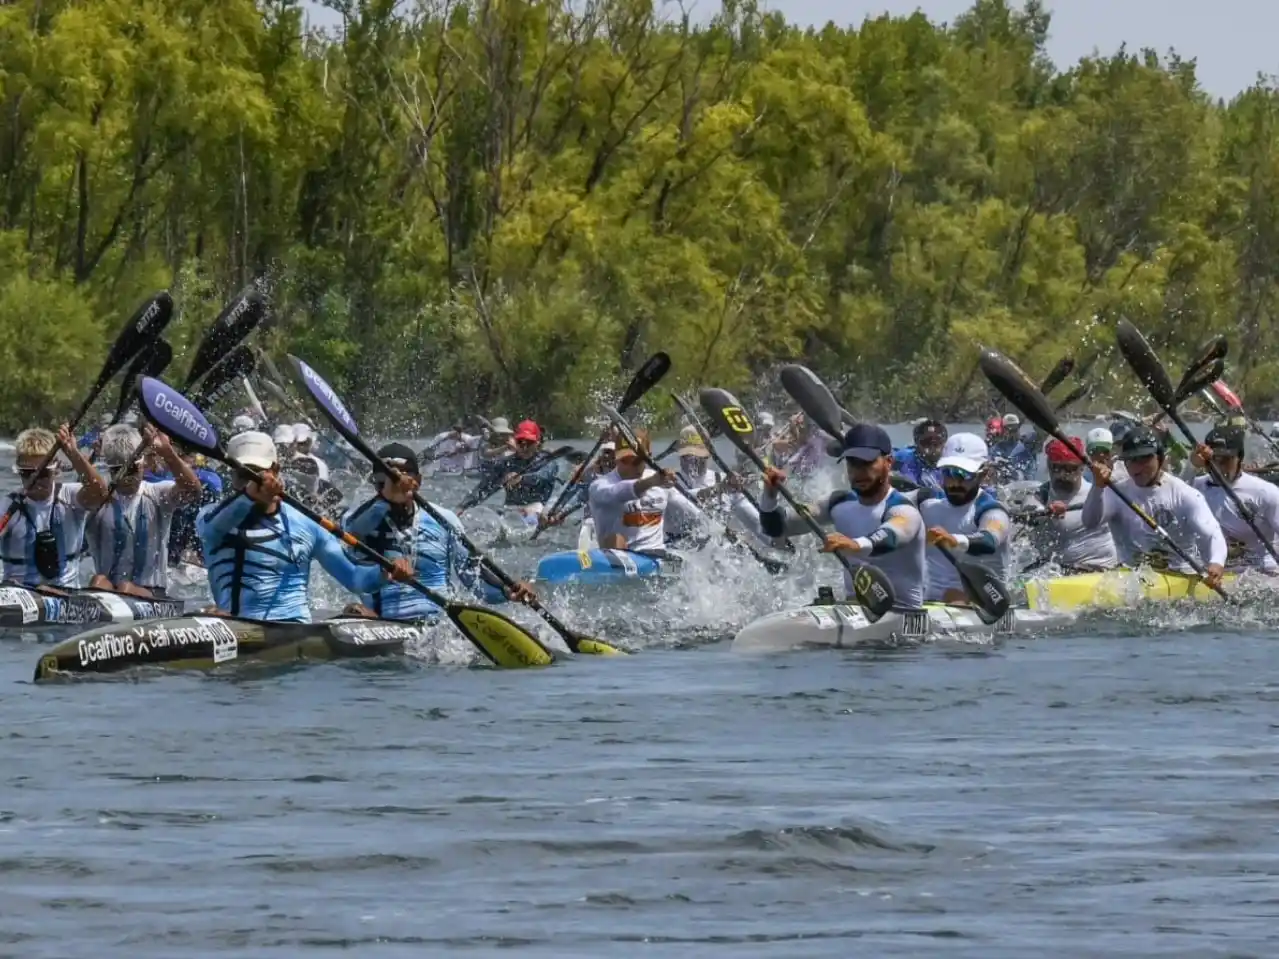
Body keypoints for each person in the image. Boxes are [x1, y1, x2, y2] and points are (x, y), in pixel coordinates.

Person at [197, 432, 412, 621]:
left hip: (294, 633)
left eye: (258, 473)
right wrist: (249, 496)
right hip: (235, 629)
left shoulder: (306, 523)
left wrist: (385, 572)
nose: (251, 483)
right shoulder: (209, 517)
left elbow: (354, 578)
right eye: (243, 475)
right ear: (231, 475)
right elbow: (212, 528)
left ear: (276, 470)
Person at [342, 443, 532, 618]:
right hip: (381, 623)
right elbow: (355, 578)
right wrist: (383, 572)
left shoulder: (444, 519)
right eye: (384, 481)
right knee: (352, 610)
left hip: (437, 627)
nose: (394, 486)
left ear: (418, 481)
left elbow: (472, 576)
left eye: (402, 477)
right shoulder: (357, 520)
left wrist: (507, 590)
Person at [757, 423, 925, 608]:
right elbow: (776, 528)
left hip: (904, 615)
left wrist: (855, 544)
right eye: (853, 463)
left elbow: (890, 537)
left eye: (868, 463)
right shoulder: (837, 503)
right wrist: (770, 497)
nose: (859, 472)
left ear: (889, 462)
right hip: (854, 610)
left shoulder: (903, 510)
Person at [1082, 426, 1226, 586]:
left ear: (1160, 458)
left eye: (1144, 459)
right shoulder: (1117, 492)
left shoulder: (1184, 494)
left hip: (1179, 577)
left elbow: (1212, 533)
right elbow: (1090, 523)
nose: (1137, 467)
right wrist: (1097, 487)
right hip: (1130, 578)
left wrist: (1216, 563)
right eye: (1131, 460)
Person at [84, 424, 202, 596]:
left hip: (152, 594)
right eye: (118, 470)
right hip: (107, 591)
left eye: (131, 469)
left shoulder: (157, 494)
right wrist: (76, 455)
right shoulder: (98, 500)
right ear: (109, 469)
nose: (126, 477)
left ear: (143, 464)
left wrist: (167, 452)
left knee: (125, 587)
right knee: (99, 581)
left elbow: (193, 491)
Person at [2, 425, 108, 588]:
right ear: (18, 471)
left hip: (66, 596)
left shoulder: (70, 497)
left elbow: (101, 494)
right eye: (27, 473)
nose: (36, 480)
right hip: (19, 594)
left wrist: (72, 453)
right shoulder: (8, 506)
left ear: (56, 469)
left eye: (43, 473)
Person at [915, 433, 1014, 603]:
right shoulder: (929, 505)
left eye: (963, 475)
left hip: (983, 599)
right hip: (929, 599)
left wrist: (954, 539)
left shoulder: (992, 512)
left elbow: (989, 540)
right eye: (948, 473)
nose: (954, 483)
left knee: (954, 596)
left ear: (984, 474)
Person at [1188, 424, 1279, 574]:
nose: (1218, 466)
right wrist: (1191, 466)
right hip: (1211, 570)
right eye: (1214, 459)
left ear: (1240, 458)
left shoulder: (1266, 492)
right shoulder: (1194, 487)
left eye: (1226, 459)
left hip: (1258, 572)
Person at [1025, 437, 1117, 573]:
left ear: (1082, 467)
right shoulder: (1040, 497)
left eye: (1070, 469)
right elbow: (1029, 513)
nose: (1062, 475)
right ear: (1048, 465)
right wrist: (1045, 513)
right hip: (1061, 574)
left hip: (1103, 570)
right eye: (1056, 468)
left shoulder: (1099, 492)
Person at [588, 431, 680, 554]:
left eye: (637, 461)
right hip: (616, 555)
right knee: (616, 539)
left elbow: (692, 509)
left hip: (656, 557)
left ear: (648, 458)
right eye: (625, 460)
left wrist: (710, 492)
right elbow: (619, 493)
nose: (631, 466)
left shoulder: (661, 482)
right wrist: (650, 483)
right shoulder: (600, 486)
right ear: (616, 458)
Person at [498, 420, 559, 522]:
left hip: (536, 508)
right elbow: (485, 485)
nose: (525, 447)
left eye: (529, 443)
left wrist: (521, 478)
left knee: (529, 520)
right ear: (515, 442)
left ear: (537, 442)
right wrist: (464, 506)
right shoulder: (507, 463)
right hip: (510, 508)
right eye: (520, 442)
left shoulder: (548, 462)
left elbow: (541, 477)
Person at [893, 419, 948, 491]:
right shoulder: (903, 458)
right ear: (917, 444)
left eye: (936, 443)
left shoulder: (950, 463)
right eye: (926, 443)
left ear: (944, 443)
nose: (932, 448)